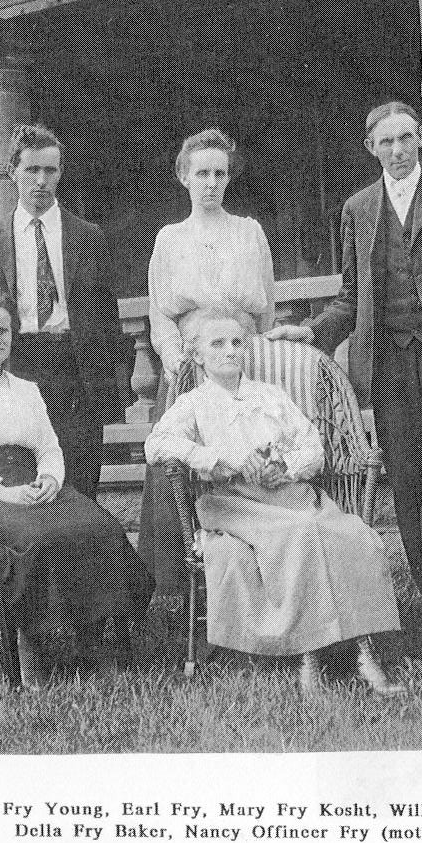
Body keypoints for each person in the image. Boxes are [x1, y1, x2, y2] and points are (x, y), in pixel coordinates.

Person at [268, 101, 422, 604]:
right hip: (391, 370)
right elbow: (352, 297)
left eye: (405, 138)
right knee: (409, 486)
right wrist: (314, 333)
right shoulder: (359, 208)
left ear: (420, 137)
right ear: (370, 147)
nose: (397, 151)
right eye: (386, 142)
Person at [145, 310, 404, 695]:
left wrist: (286, 466)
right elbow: (157, 445)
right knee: (303, 534)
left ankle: (363, 650)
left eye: (237, 343)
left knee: (353, 534)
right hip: (235, 502)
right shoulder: (193, 403)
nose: (230, 351)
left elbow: (313, 446)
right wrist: (222, 458)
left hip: (292, 495)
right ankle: (310, 656)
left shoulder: (270, 395)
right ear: (197, 356)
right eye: (217, 344)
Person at [0, 292, 153, 688]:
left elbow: (49, 447)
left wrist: (51, 478)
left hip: (35, 485)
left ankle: (92, 642)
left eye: (4, 331)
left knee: (101, 527)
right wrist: (0, 491)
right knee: (40, 537)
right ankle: (32, 640)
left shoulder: (28, 390)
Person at [138, 127, 277, 612]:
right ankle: (185, 594)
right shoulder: (170, 239)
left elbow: (266, 311)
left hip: (244, 363)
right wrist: (176, 359)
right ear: (184, 176)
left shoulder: (250, 231)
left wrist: (251, 362)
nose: (212, 182)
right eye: (202, 173)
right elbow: (160, 313)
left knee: (251, 462)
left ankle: (261, 583)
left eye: (220, 173)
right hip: (189, 367)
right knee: (186, 468)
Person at [0, 124, 123, 502]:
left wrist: (110, 387)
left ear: (60, 173)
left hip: (76, 368)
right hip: (18, 365)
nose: (41, 181)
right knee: (27, 481)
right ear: (12, 172)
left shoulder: (88, 237)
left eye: (50, 171)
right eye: (31, 170)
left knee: (80, 483)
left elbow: (107, 319)